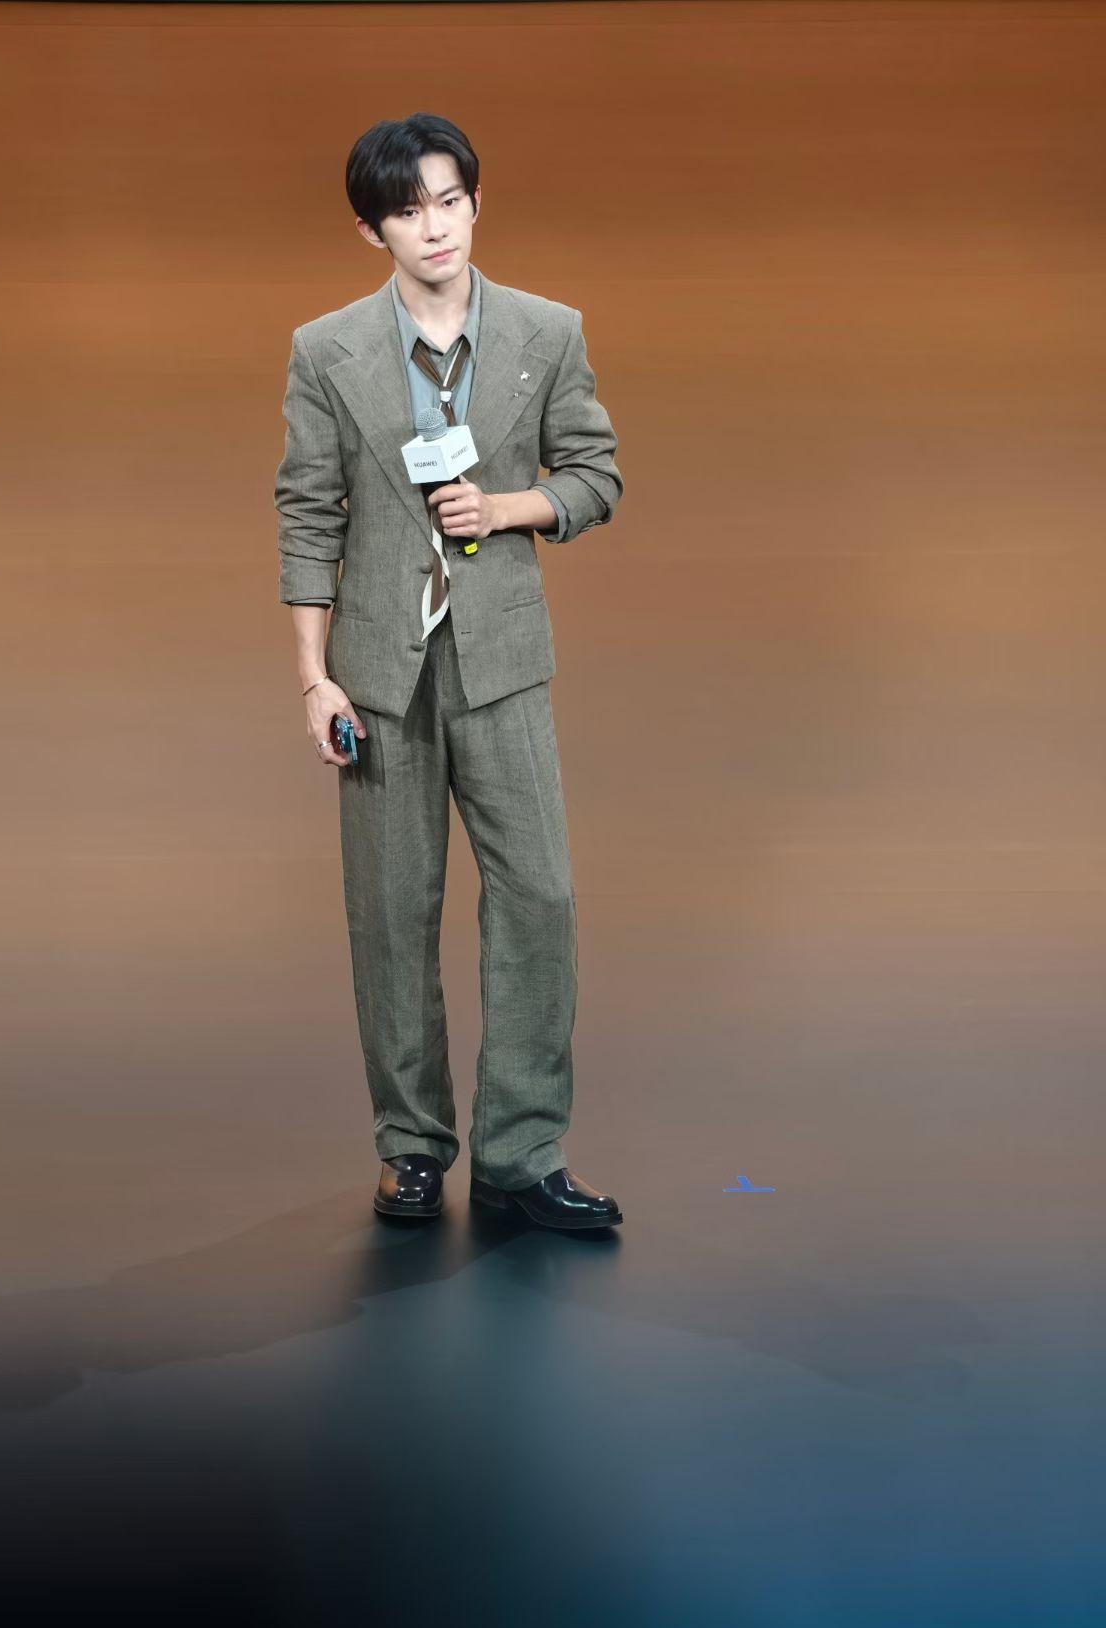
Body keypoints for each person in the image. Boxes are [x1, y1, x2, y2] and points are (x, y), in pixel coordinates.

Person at [273, 113, 624, 1232]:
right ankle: (412, 1147)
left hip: (502, 657)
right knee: (391, 911)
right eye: (408, 209)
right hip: (380, 671)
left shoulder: (546, 331)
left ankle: (521, 1154)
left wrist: (511, 507)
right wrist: (315, 678)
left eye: (451, 201)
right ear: (370, 230)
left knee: (540, 898)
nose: (435, 226)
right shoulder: (326, 350)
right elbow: (307, 514)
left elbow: (596, 474)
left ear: (477, 204)